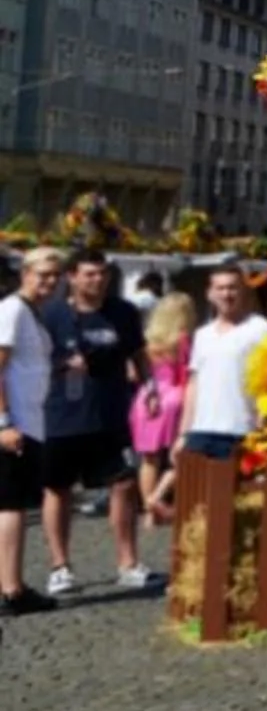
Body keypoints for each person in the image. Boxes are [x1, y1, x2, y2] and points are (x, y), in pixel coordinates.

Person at [41, 252, 150, 592]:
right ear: (71, 277)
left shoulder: (123, 312)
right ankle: (60, 567)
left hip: (110, 414)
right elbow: (30, 362)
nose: (97, 280)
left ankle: (128, 563)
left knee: (124, 485)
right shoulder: (50, 314)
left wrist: (149, 389)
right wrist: (61, 366)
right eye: (89, 275)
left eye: (102, 274)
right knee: (58, 489)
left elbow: (137, 355)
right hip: (60, 414)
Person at [0, 250, 63, 612]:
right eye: (43, 275)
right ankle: (11, 590)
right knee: (10, 507)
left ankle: (14, 583)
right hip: (15, 426)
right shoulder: (12, 310)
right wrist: (4, 423)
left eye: (55, 276)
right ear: (25, 273)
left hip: (31, 422)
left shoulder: (31, 314)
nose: (50, 282)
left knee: (18, 506)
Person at [176, 265, 267, 462]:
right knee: (196, 492)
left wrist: (264, 424)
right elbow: (194, 384)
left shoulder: (261, 329)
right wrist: (183, 433)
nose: (226, 294)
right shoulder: (203, 334)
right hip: (200, 431)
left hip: (241, 430)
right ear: (209, 294)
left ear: (243, 291)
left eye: (232, 288)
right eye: (220, 288)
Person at [128, 291, 195, 530]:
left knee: (148, 458)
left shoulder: (150, 340)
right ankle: (159, 497)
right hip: (174, 396)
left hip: (146, 397)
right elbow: (187, 376)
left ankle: (148, 510)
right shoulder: (184, 340)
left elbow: (134, 374)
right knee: (181, 455)